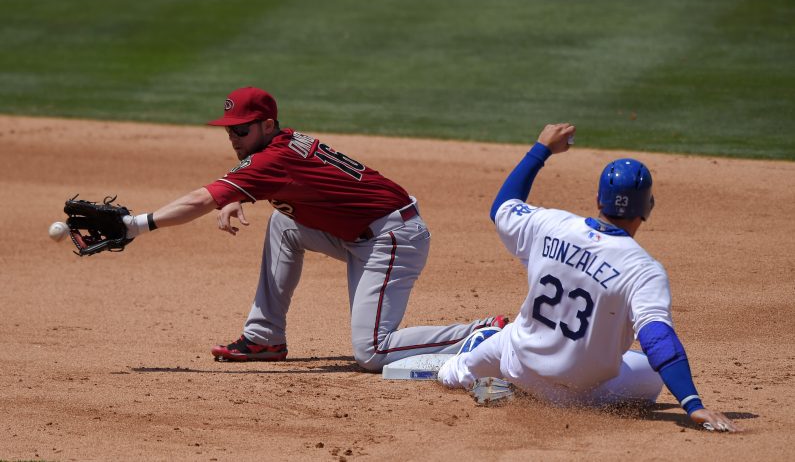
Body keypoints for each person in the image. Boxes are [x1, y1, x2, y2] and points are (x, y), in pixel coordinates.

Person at [122, 86, 507, 370]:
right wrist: (239, 195)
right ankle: (263, 338)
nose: (233, 138)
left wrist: (136, 225)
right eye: (229, 130)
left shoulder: (271, 160)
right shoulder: (284, 143)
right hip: (365, 231)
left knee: (372, 352)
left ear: (268, 124)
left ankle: (485, 331)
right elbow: (289, 184)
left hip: (392, 239)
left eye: (241, 130)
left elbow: (200, 200)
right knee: (284, 223)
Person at [437, 123, 741, 432]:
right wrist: (693, 405)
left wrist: (542, 149)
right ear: (648, 208)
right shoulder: (643, 270)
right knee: (652, 374)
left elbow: (502, 207)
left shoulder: (550, 224)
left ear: (598, 200)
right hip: (575, 395)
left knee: (451, 373)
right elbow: (657, 339)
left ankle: (464, 363)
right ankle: (520, 387)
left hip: (516, 360)